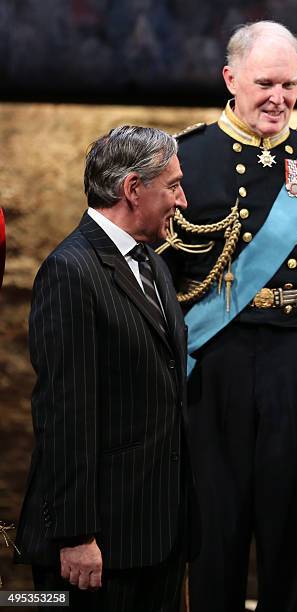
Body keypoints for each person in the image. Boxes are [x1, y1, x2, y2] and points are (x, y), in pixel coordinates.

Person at [158, 20, 297, 612]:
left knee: (290, 535)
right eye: (265, 83)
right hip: (213, 365)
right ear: (230, 79)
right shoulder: (183, 159)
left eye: (290, 85)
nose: (279, 98)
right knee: (214, 532)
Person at [15, 125, 198, 612]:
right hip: (97, 546)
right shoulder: (70, 271)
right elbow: (65, 412)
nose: (182, 200)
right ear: (133, 190)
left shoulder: (153, 263)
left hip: (157, 536)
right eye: (173, 185)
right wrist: (76, 535)